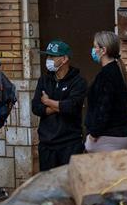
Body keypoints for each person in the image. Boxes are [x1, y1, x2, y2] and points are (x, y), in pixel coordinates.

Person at [31, 39, 87, 170]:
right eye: (47, 56)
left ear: (64, 59)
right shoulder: (44, 80)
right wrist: (58, 106)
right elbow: (36, 107)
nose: (48, 59)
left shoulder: (78, 82)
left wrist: (48, 102)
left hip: (69, 144)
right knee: (48, 187)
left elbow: (72, 107)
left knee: (69, 186)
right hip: (46, 144)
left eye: (52, 56)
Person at [84, 30, 127, 153]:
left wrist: (93, 134)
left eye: (95, 47)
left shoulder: (106, 75)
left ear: (103, 50)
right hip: (121, 134)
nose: (93, 50)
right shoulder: (118, 71)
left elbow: (104, 107)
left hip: (108, 137)